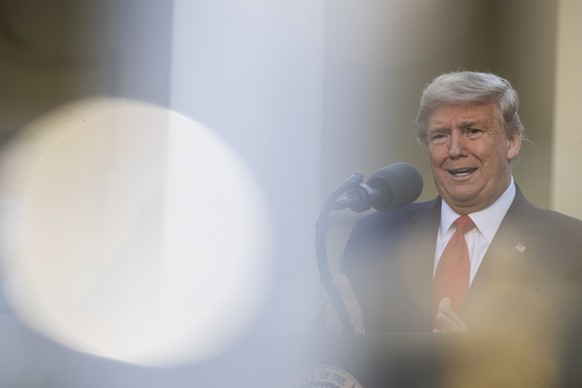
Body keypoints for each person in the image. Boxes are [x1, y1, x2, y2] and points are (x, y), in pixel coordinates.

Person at [318, 71, 582, 386]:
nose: (455, 149)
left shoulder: (570, 246)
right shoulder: (375, 236)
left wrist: (488, 363)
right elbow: (330, 370)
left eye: (472, 131)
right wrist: (346, 339)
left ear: (512, 141)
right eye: (440, 135)